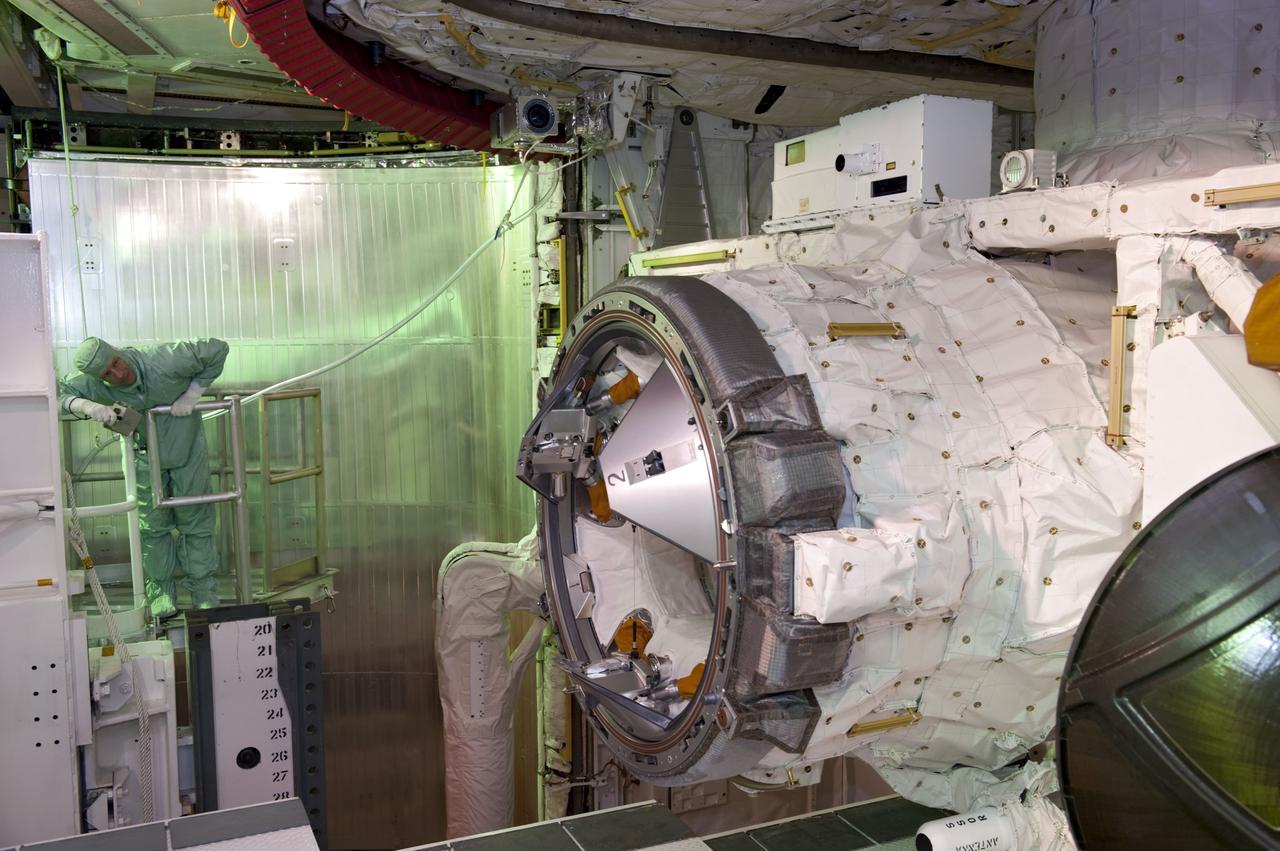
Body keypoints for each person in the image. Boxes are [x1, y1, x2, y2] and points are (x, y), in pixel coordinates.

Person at [60, 337, 230, 619]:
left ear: (118, 352)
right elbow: (56, 394)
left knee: (196, 521)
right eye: (107, 374)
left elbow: (217, 349)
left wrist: (193, 393)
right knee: (152, 528)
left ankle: (203, 591)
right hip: (142, 456)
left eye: (116, 363)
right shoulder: (92, 383)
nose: (118, 374)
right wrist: (86, 406)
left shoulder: (165, 359)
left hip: (187, 450)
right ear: (98, 378)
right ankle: (161, 593)